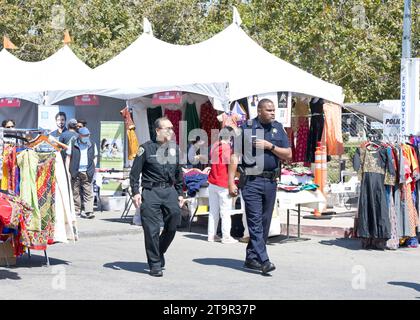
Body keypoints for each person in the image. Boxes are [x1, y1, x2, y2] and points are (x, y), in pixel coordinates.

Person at [228, 98, 292, 275]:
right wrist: (230, 181)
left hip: (270, 182)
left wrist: (270, 146)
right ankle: (264, 260)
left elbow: (288, 154)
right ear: (259, 111)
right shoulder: (246, 128)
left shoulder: (278, 128)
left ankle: (251, 258)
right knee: (255, 222)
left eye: (273, 110)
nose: (272, 113)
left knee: (264, 223)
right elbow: (235, 156)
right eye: (269, 110)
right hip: (251, 182)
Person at [130, 117, 184, 277]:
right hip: (151, 192)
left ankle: (159, 251)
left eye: (172, 128)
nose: (171, 131)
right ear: (158, 130)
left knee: (174, 223)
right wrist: (135, 192)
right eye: (167, 128)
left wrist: (180, 193)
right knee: (151, 230)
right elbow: (134, 173)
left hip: (169, 191)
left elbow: (178, 173)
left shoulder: (174, 149)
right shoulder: (145, 148)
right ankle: (154, 263)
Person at [207, 126, 238, 244]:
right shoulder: (227, 148)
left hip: (212, 181)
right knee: (225, 212)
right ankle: (226, 236)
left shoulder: (214, 146)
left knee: (213, 211)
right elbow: (229, 163)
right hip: (223, 182)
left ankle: (211, 235)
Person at [66, 127, 98, 219]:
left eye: (88, 135)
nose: (87, 137)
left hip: (87, 171)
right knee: (75, 192)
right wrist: (68, 170)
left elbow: (95, 156)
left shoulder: (92, 144)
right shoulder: (73, 143)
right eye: (85, 135)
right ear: (79, 135)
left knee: (88, 192)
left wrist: (93, 167)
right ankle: (77, 211)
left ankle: (89, 211)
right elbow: (68, 157)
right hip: (75, 171)